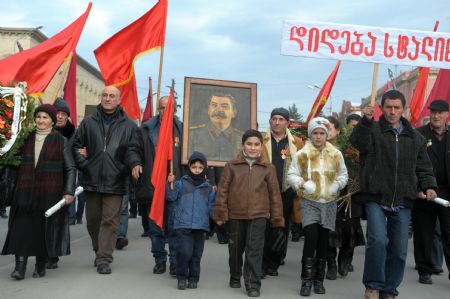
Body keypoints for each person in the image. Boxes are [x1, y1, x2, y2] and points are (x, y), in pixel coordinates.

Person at [350, 90, 437, 299]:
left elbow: (424, 167)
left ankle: (389, 290)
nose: (392, 111)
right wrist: (365, 121)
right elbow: (357, 143)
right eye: (388, 107)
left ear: (403, 109)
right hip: (376, 196)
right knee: (378, 241)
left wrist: (429, 186)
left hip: (403, 199)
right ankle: (372, 285)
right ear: (382, 107)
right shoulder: (372, 131)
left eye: (397, 107)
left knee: (399, 251)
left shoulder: (416, 137)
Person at [1, 104, 76, 280]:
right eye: (39, 117)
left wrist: (68, 192)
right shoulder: (25, 138)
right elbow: (12, 162)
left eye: (45, 117)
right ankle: (20, 268)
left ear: (52, 121)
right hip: (24, 192)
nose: (41, 120)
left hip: (50, 193)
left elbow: (70, 168)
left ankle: (40, 265)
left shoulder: (61, 141)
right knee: (21, 229)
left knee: (42, 231)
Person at [72, 85, 138, 275]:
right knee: (92, 221)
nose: (107, 98)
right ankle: (98, 250)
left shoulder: (129, 125)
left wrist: (131, 166)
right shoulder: (88, 122)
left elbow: (133, 150)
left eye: (112, 96)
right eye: (105, 95)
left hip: (116, 181)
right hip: (91, 179)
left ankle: (104, 259)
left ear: (119, 100)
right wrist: (84, 164)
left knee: (110, 221)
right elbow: (76, 146)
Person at [214, 129, 284, 298]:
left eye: (256, 144)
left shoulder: (268, 168)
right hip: (236, 215)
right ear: (243, 145)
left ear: (261, 146)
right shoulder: (232, 166)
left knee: (255, 250)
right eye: (249, 144)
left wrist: (277, 218)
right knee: (235, 249)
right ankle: (235, 275)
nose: (253, 148)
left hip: (259, 215)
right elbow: (222, 191)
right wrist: (221, 213)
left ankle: (253, 284)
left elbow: (275, 194)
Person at [288, 117, 348, 297]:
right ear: (310, 134)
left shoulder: (336, 154)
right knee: (311, 239)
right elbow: (291, 174)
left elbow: (343, 175)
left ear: (327, 134)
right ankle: (306, 281)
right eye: (315, 133)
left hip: (329, 203)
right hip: (309, 202)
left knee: (323, 241)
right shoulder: (302, 154)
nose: (319, 136)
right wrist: (302, 183)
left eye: (322, 133)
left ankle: (318, 281)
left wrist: (336, 185)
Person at [129, 96, 183, 276]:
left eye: (169, 109)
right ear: (157, 109)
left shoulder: (182, 129)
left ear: (175, 110)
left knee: (175, 227)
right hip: (152, 186)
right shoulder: (145, 129)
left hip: (175, 185)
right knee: (155, 227)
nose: (165, 112)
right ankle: (159, 259)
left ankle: (175, 261)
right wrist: (135, 163)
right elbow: (133, 149)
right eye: (161, 108)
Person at [262, 107, 303, 277]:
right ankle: (262, 263)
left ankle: (274, 262)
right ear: (270, 121)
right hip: (264, 191)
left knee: (281, 228)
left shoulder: (296, 143)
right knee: (263, 227)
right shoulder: (261, 139)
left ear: (287, 123)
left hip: (286, 192)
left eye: (280, 119)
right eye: (274, 119)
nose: (276, 122)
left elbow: (303, 166)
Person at [413, 99, 450, 284]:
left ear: (446, 115)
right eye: (433, 112)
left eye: (440, 112)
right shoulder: (419, 134)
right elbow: (410, 165)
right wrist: (417, 188)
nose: (436, 116)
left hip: (447, 191)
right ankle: (424, 270)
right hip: (424, 192)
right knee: (424, 233)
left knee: (448, 232)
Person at [166, 151, 215, 290]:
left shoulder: (209, 188)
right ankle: (182, 277)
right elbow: (171, 197)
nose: (197, 170)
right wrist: (170, 183)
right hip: (183, 225)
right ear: (189, 167)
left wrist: (218, 218)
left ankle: (193, 278)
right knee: (184, 252)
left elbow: (211, 207)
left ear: (204, 168)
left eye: (200, 168)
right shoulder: (181, 183)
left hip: (200, 226)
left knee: (196, 255)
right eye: (194, 167)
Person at [324, 116, 365, 280]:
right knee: (329, 232)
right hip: (329, 196)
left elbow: (358, 169)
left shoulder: (349, 149)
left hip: (350, 195)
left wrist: (355, 183)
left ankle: (345, 259)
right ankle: (331, 264)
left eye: (330, 128)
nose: (326, 132)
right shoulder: (317, 149)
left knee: (350, 231)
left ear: (338, 130)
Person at [189, 94, 243, 161]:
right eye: (214, 105)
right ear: (209, 110)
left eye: (224, 106)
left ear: (234, 112)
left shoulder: (242, 138)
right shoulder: (192, 135)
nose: (218, 109)